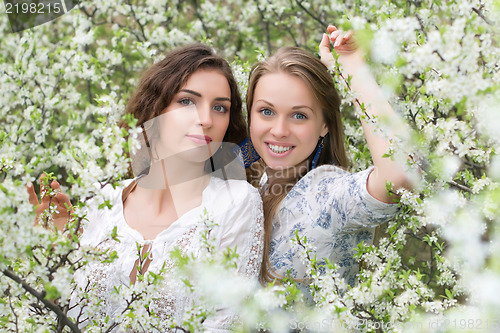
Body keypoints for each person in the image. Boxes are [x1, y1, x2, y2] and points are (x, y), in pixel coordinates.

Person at [27, 44, 264, 331]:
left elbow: (227, 322)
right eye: (187, 101)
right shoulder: (101, 201)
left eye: (220, 107)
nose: (206, 119)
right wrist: (54, 255)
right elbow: (61, 315)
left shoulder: (236, 203)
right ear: (155, 107)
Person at [245, 26, 414, 292]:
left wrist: (353, 68)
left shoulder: (325, 193)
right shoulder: (249, 185)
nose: (279, 130)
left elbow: (400, 176)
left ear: (324, 125)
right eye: (266, 111)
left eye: (299, 115)